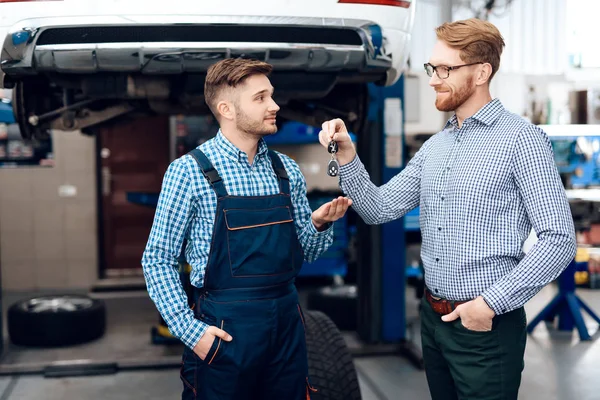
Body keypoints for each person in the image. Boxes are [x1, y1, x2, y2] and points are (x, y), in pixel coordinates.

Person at [318, 18, 576, 400]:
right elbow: (378, 208)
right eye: (432, 68)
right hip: (433, 320)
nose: (434, 79)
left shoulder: (522, 141)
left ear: (481, 72)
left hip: (485, 326)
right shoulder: (436, 147)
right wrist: (349, 156)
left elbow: (559, 239)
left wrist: (489, 304)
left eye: (445, 69)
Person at [141, 57, 352, 400]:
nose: (275, 105)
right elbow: (158, 260)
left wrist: (319, 223)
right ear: (226, 108)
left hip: (286, 325)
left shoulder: (286, 170)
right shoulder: (189, 172)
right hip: (224, 330)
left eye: (271, 95)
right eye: (261, 98)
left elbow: (308, 253)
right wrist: (192, 332)